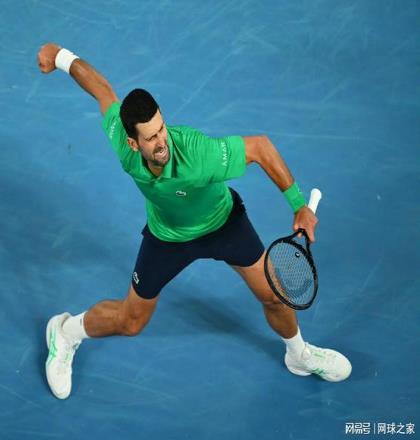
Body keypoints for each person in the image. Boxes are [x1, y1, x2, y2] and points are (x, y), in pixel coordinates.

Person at [37, 43, 352, 400]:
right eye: (151, 137)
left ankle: (298, 354)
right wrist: (61, 57)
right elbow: (103, 91)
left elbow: (260, 148)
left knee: (275, 297)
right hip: (168, 237)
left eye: (162, 129)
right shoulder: (123, 146)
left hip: (223, 224)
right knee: (131, 322)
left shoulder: (198, 154)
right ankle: (65, 332)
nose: (162, 141)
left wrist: (298, 205)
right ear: (132, 143)